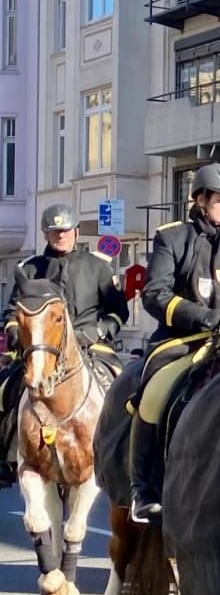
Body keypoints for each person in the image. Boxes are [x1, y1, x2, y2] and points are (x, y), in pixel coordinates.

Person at [130, 164, 220, 522]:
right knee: (153, 393)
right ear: (199, 200)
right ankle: (143, 488)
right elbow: (154, 294)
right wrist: (205, 317)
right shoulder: (172, 237)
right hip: (186, 339)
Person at [0, 203, 130, 486]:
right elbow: (12, 314)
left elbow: (119, 312)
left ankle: (120, 453)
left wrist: (98, 332)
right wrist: (18, 337)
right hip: (41, 349)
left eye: (66, 231)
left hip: (89, 344)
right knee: (5, 389)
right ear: (46, 234)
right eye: (55, 232)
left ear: (76, 232)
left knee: (124, 384)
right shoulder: (30, 269)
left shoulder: (97, 267)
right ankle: (7, 457)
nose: (61, 236)